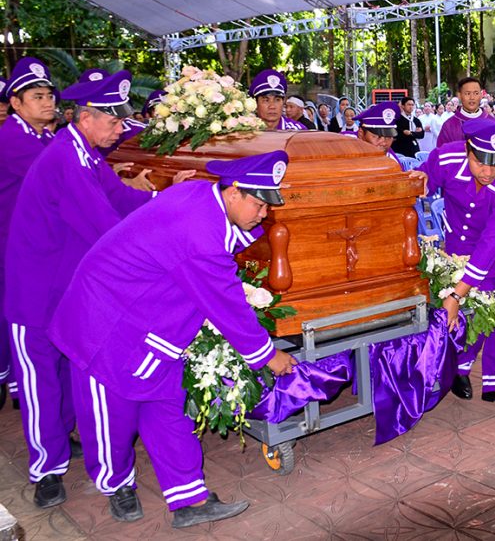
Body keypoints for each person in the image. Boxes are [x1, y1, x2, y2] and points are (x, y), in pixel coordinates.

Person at [49, 151, 298, 526]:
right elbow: (226, 302)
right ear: (233, 192)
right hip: (104, 323)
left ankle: (189, 499)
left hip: (153, 319)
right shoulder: (198, 232)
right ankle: (116, 485)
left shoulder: (202, 196)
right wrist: (267, 356)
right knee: (111, 415)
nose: (264, 215)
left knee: (168, 406)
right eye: (259, 205)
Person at [5, 70, 194, 509]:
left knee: (66, 379)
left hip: (66, 289)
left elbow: (121, 198)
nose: (121, 128)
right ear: (86, 117)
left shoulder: (85, 152)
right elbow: (106, 227)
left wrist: (167, 199)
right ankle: (46, 470)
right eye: (113, 121)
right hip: (35, 294)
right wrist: (164, 251)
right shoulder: (66, 159)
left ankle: (62, 442)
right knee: (40, 384)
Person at [422, 120, 495, 409]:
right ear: (467, 150)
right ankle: (460, 369)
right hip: (461, 253)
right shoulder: (445, 159)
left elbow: (491, 242)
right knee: (469, 320)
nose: (487, 172)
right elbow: (418, 187)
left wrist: (456, 294)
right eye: (480, 162)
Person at [0, 57, 58, 408]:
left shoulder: (43, 135)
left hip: (29, 242)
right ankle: (17, 386)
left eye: (49, 95)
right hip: (10, 242)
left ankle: (18, 386)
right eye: (38, 97)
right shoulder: (12, 139)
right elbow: (62, 181)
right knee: (17, 317)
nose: (48, 102)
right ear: (16, 104)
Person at [436, 77, 492, 147]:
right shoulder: (449, 126)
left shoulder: (492, 123)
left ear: (481, 95)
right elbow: (441, 151)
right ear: (459, 95)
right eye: (467, 93)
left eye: (476, 93)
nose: (472, 98)